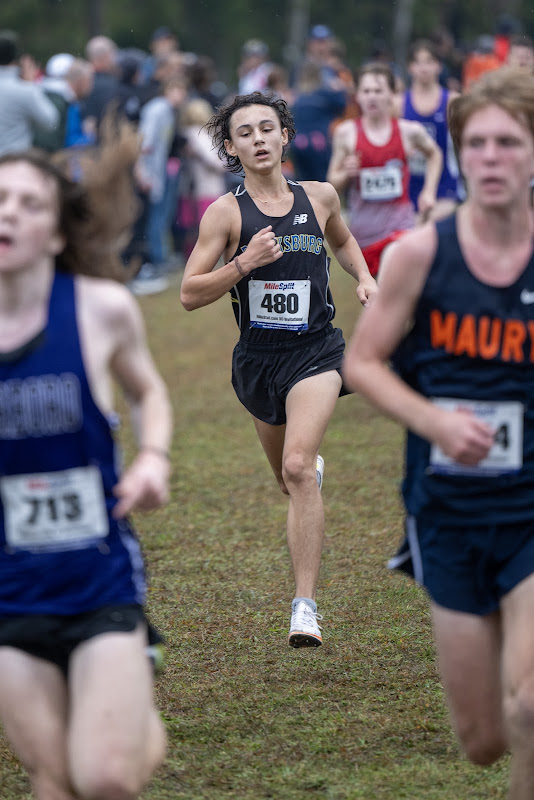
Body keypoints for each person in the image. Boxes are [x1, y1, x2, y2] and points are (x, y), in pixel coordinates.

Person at [342, 67, 534, 798]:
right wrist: (433, 422)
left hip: (529, 508)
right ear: (457, 155)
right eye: (476, 144)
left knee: (533, 705)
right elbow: (362, 362)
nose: (490, 158)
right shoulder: (423, 254)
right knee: (483, 740)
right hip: (447, 513)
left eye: (508, 143)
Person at [0, 118, 172, 799]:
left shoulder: (102, 310)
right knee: (56, 777)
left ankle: (138, 723)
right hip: (8, 590)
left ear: (59, 233)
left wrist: (153, 456)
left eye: (29, 203)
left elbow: (149, 390)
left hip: (97, 578)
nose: (8, 213)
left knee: (103, 779)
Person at [180, 91, 377, 647]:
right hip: (258, 361)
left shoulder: (320, 197)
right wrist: (244, 263)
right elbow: (190, 294)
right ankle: (306, 477)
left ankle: (305, 608)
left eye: (269, 128)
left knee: (295, 467)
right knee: (288, 481)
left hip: (316, 352)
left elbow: (343, 241)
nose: (259, 139)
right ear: (230, 147)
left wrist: (363, 277)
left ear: (285, 136)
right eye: (246, 133)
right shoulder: (225, 213)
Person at [327, 62, 442, 277]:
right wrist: (346, 173)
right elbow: (331, 182)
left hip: (400, 228)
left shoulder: (409, 132)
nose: (372, 97)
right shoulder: (346, 133)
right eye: (366, 91)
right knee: (377, 299)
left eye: (378, 91)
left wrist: (429, 191)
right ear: (358, 96)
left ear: (391, 95)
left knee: (398, 279)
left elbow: (435, 154)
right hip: (363, 235)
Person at [397, 39, 461, 222]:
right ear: (410, 67)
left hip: (444, 183)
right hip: (409, 184)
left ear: (438, 66)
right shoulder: (398, 103)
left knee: (433, 233)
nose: (423, 68)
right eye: (418, 62)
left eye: (429, 62)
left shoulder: (452, 102)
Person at [0, 30, 59, 157]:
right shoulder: (25, 90)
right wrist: (31, 85)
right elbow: (51, 122)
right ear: (16, 58)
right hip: (14, 162)